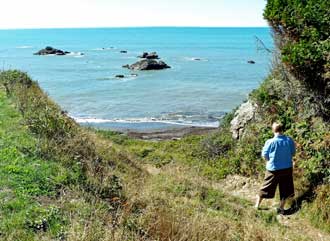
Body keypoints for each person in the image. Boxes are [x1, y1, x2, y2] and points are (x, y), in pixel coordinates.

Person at [255, 122, 296, 214]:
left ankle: (257, 206)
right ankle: (281, 208)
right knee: (285, 189)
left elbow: (264, 155)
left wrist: (268, 161)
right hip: (287, 168)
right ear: (282, 130)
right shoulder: (289, 140)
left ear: (273, 130)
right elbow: (293, 153)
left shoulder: (270, 142)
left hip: (273, 169)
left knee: (266, 187)